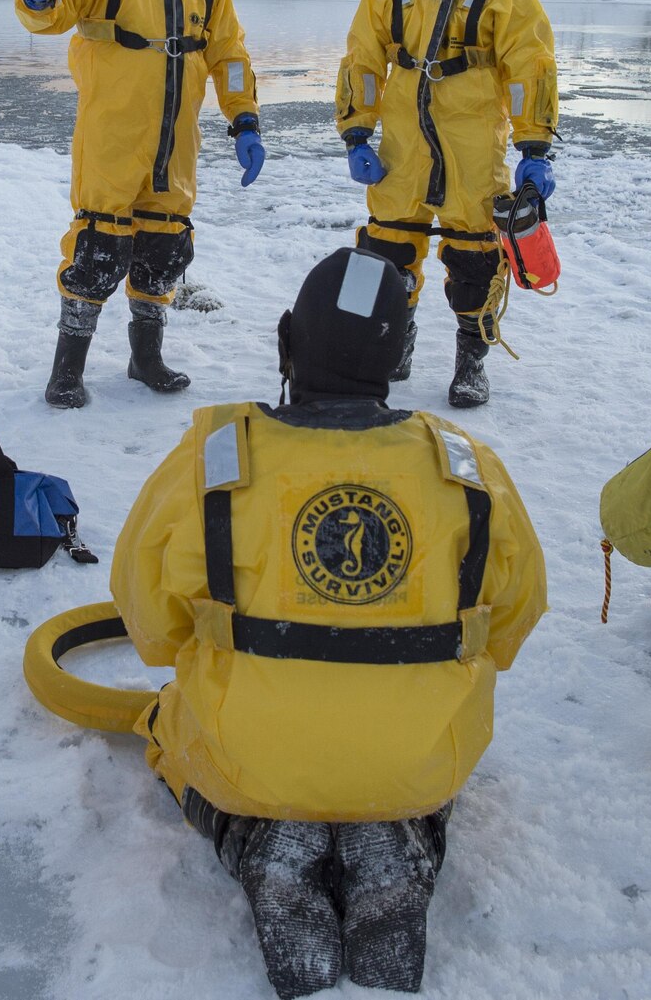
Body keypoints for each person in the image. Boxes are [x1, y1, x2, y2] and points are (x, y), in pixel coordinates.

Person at [111, 247, 547, 997]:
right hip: (418, 761)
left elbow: (147, 614)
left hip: (252, 756)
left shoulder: (214, 459)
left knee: (167, 731)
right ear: (402, 356)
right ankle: (404, 834)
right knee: (406, 758)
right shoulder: (467, 466)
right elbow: (513, 619)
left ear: (286, 340)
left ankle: (255, 838)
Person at [14, 0, 265, 408]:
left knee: (166, 247)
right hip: (112, 140)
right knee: (98, 248)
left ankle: (145, 358)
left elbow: (231, 57)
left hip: (176, 144)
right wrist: (36, 1)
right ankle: (67, 370)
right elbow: (52, 13)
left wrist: (245, 121)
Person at [335, 0, 558, 408]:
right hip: (403, 151)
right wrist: (355, 133)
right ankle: (395, 344)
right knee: (386, 254)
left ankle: (471, 363)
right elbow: (363, 59)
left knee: (476, 262)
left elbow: (530, 66)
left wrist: (534, 147)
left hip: (474, 148)